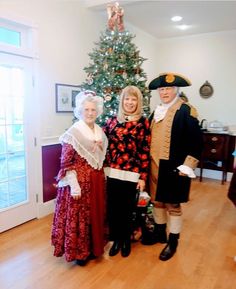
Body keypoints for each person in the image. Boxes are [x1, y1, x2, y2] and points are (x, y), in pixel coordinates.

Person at [148, 72, 203, 261]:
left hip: (175, 168)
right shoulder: (155, 111)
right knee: (156, 201)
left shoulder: (187, 111)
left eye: (168, 89)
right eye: (161, 89)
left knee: (173, 204)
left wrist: (187, 167)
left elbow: (197, 142)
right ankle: (160, 232)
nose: (164, 92)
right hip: (153, 166)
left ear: (176, 90)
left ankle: (173, 240)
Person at [51, 90, 108, 266]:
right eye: (87, 110)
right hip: (79, 184)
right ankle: (79, 253)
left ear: (97, 111)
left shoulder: (100, 131)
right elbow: (66, 163)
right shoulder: (73, 132)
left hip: (96, 181)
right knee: (80, 218)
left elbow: (100, 158)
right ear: (80, 111)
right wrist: (74, 186)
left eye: (93, 110)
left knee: (94, 216)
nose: (90, 113)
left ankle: (93, 249)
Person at [103, 85, 151, 257]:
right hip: (112, 173)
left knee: (128, 209)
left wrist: (143, 177)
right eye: (127, 98)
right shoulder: (112, 121)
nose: (130, 102)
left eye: (133, 99)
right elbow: (101, 143)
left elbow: (145, 150)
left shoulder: (143, 123)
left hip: (132, 174)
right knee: (114, 208)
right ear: (122, 100)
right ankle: (116, 239)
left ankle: (125, 240)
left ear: (138, 102)